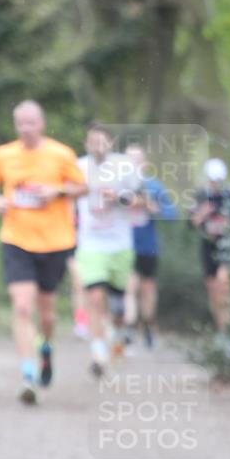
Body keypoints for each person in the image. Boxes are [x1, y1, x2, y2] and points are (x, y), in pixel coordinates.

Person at [0, 101, 87, 403]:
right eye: (21, 123)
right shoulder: (4, 154)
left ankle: (46, 348)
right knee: (21, 307)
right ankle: (27, 375)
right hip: (17, 240)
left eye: (31, 123)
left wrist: (58, 191)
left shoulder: (61, 154)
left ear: (42, 123)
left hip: (55, 242)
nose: (26, 129)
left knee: (47, 315)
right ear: (16, 125)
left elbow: (83, 187)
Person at [75, 123, 143, 378]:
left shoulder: (125, 166)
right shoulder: (78, 167)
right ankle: (97, 353)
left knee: (117, 308)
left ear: (111, 144)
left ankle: (117, 333)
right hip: (90, 245)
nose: (98, 146)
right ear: (86, 144)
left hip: (119, 246)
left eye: (103, 141)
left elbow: (143, 200)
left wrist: (119, 198)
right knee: (94, 298)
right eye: (93, 142)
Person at [123, 142, 178, 348]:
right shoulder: (118, 186)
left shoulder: (154, 186)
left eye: (136, 160)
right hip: (125, 245)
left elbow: (172, 214)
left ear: (144, 163)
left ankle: (147, 325)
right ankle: (129, 328)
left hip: (148, 245)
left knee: (147, 288)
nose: (133, 164)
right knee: (129, 286)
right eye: (128, 160)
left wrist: (154, 208)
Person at [189, 158, 230, 330]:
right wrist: (203, 212)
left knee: (224, 282)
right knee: (213, 290)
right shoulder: (200, 197)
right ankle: (221, 328)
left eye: (218, 180)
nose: (215, 183)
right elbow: (191, 223)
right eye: (212, 180)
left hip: (227, 247)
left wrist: (229, 222)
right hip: (208, 247)